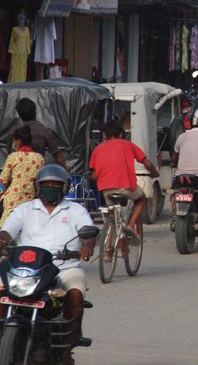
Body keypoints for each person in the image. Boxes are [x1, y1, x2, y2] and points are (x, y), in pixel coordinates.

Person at [0, 164, 96, 362]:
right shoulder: (24, 209)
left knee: (76, 292)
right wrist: (2, 240)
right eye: (46, 184)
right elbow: (7, 231)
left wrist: (87, 244)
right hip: (26, 269)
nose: (51, 187)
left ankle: (66, 345)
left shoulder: (75, 209)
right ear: (38, 186)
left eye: (56, 184)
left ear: (64, 187)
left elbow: (88, 231)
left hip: (64, 268)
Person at [89, 119, 159, 246]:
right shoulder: (128, 145)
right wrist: (155, 173)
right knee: (141, 198)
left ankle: (107, 252)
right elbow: (147, 163)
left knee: (112, 219)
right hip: (126, 188)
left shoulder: (97, 149)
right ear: (120, 134)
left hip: (106, 190)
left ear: (105, 135)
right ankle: (131, 226)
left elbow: (93, 175)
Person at [0, 126, 44, 227]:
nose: (13, 144)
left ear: (18, 142)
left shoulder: (13, 156)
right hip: (31, 202)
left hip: (12, 202)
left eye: (13, 141)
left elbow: (3, 181)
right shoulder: (39, 158)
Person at [12, 98, 66, 168]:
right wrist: (66, 171)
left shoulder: (13, 131)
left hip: (17, 173)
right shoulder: (44, 131)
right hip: (36, 172)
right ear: (35, 112)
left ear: (19, 114)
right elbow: (57, 155)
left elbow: (10, 154)